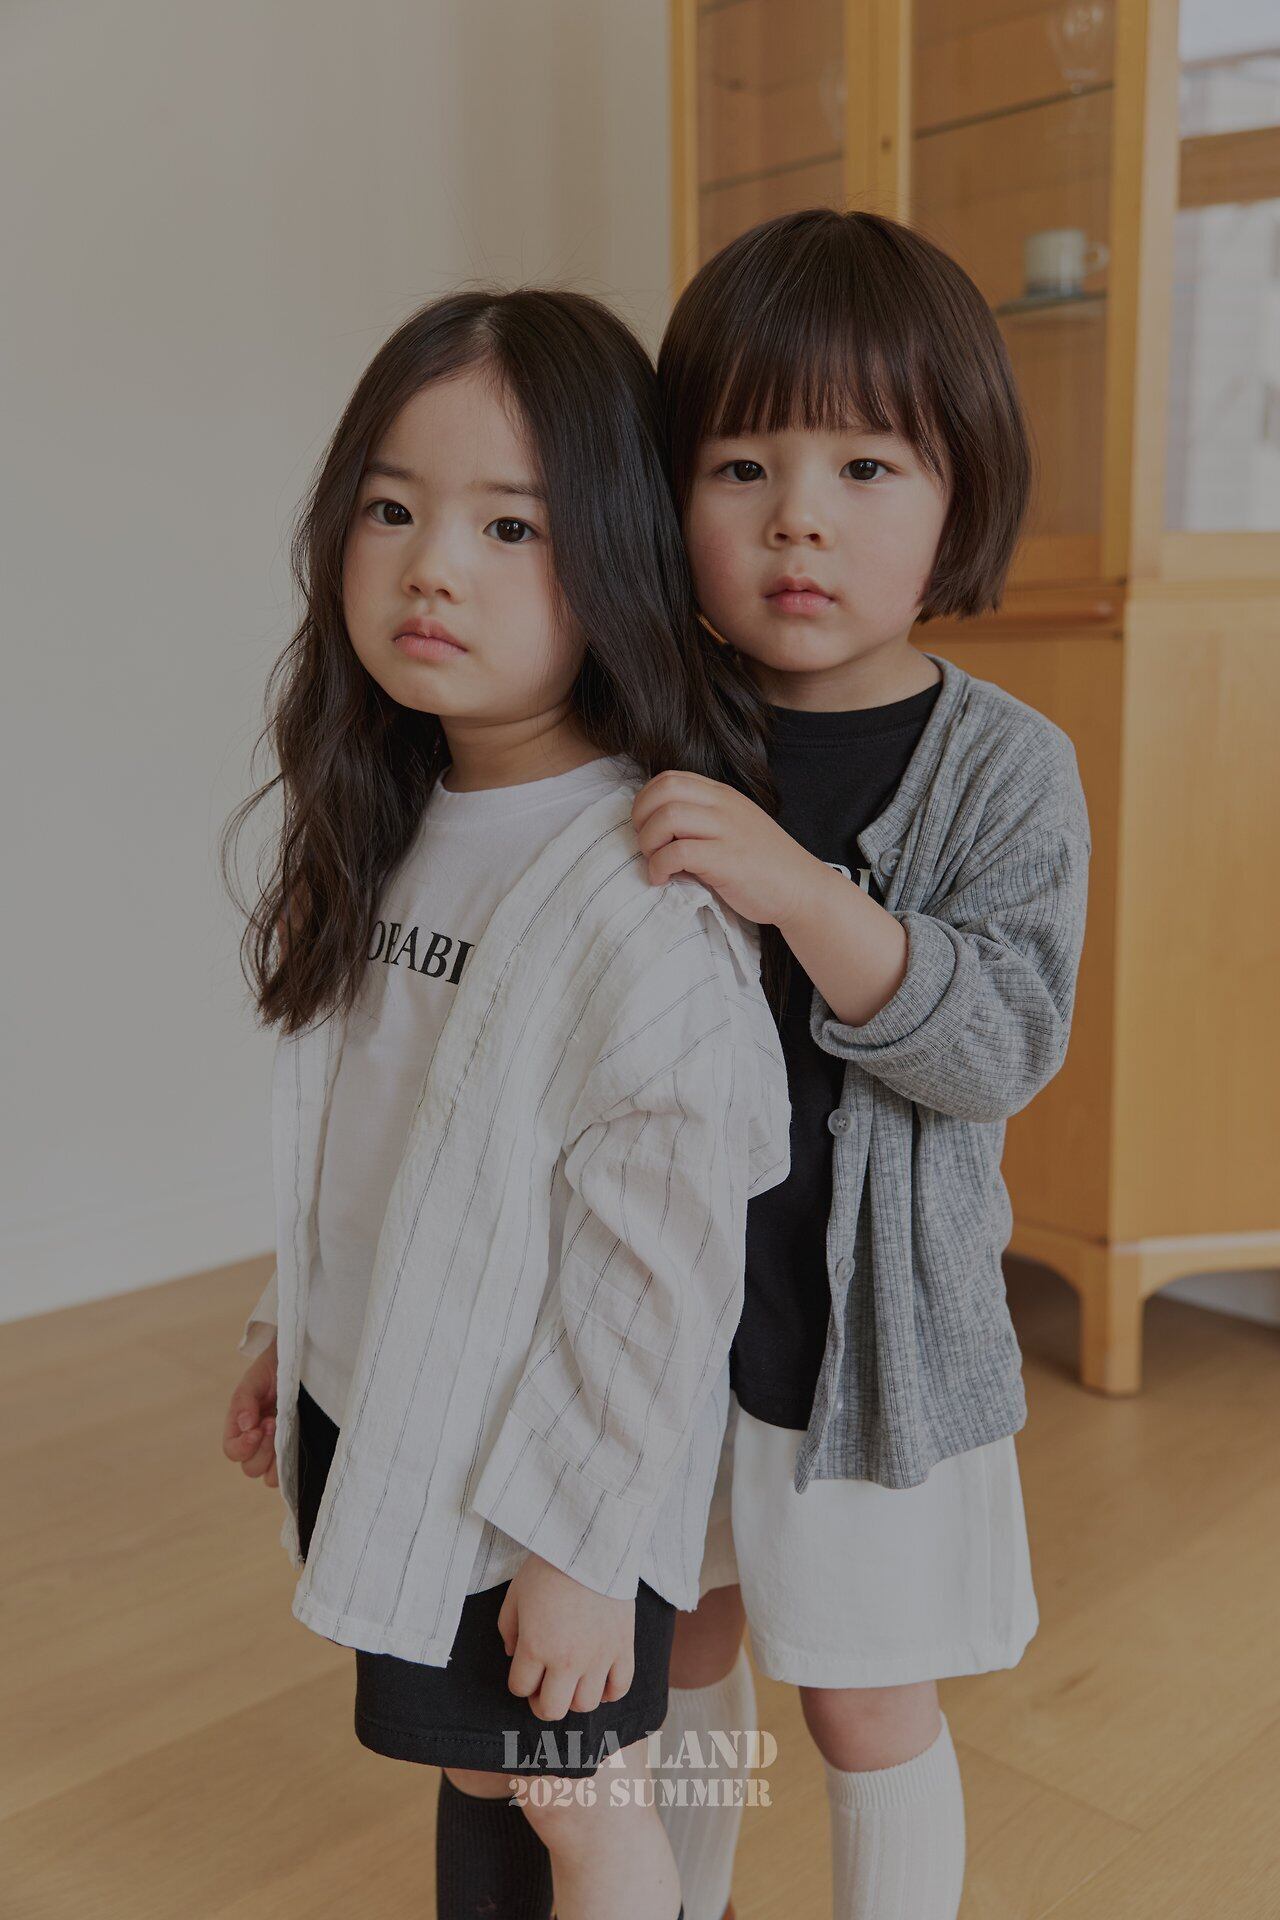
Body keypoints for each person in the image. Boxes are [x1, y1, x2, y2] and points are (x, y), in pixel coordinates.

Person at [217, 285, 792, 1920]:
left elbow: (658, 1269)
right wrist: (287, 1328)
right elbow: (364, 1142)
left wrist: (582, 1544)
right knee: (488, 1773)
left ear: (614, 557)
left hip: (539, 1468)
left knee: (579, 1798)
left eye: (510, 527)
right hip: (400, 1402)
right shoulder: (395, 822)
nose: (432, 567)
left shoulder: (635, 890)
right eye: (392, 509)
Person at [631, 208, 1091, 1920]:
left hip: (871, 1351)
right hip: (663, 1317)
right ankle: (675, 1898)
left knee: (865, 1700)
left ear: (960, 495)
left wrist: (807, 895)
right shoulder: (648, 727)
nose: (798, 518)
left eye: (867, 466)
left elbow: (1000, 1045)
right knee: (677, 1643)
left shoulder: (1009, 769)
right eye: (740, 465)